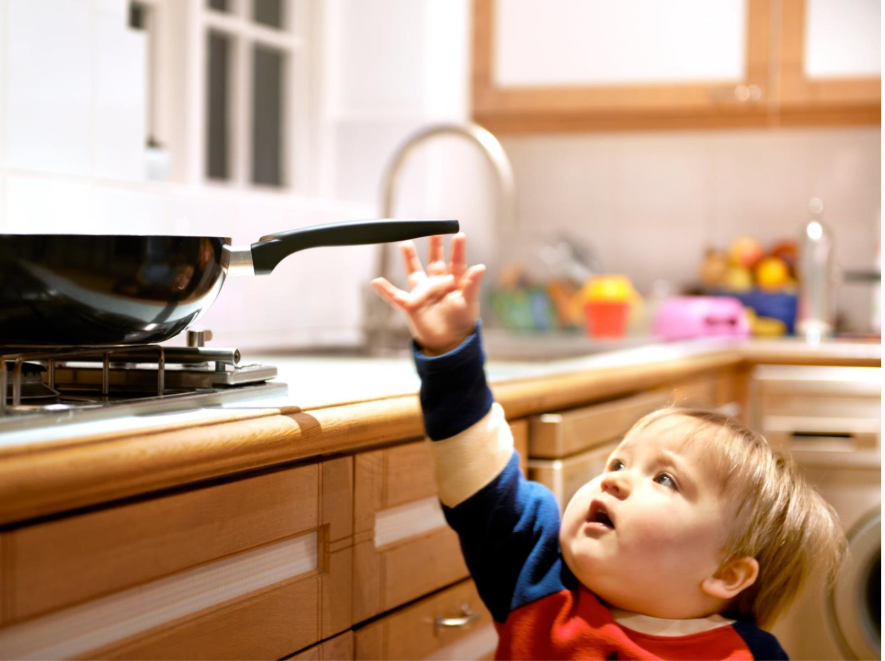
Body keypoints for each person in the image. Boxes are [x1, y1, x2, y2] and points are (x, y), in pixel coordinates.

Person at [371, 234, 847, 661]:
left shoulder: (747, 656)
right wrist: (452, 350)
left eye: (664, 479)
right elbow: (480, 477)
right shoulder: (536, 580)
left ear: (726, 574)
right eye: (619, 461)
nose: (615, 478)